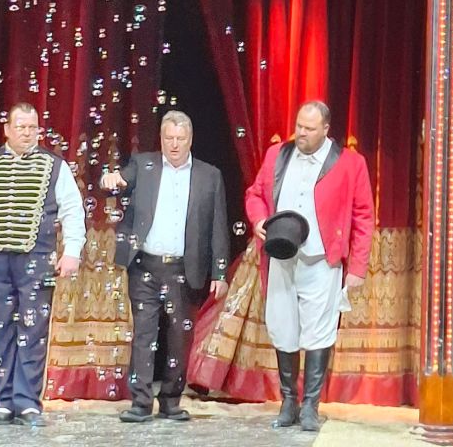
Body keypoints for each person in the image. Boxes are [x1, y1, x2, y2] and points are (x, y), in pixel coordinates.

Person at [0, 102, 86, 428]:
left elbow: (72, 210)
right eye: (21, 127)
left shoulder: (55, 167)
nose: (27, 133)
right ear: (7, 130)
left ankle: (27, 402)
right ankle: (4, 400)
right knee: (2, 328)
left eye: (32, 127)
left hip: (38, 260)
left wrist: (72, 251)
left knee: (33, 330)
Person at [245, 100, 374, 431]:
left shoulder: (350, 163)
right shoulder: (277, 155)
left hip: (320, 261)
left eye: (309, 129)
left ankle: (310, 407)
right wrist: (258, 220)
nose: (301, 133)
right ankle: (288, 402)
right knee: (283, 328)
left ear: (326, 130)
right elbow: (255, 194)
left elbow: (364, 216)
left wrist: (357, 267)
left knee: (318, 332)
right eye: (299, 126)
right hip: (281, 257)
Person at [100, 110, 229, 423]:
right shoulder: (143, 165)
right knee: (144, 334)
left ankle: (171, 400)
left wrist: (220, 272)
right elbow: (117, 182)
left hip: (184, 269)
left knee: (178, 337)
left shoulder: (209, 175)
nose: (174, 144)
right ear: (160, 139)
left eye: (180, 138)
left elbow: (219, 226)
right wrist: (110, 180)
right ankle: (141, 402)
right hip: (145, 265)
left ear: (190, 139)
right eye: (168, 138)